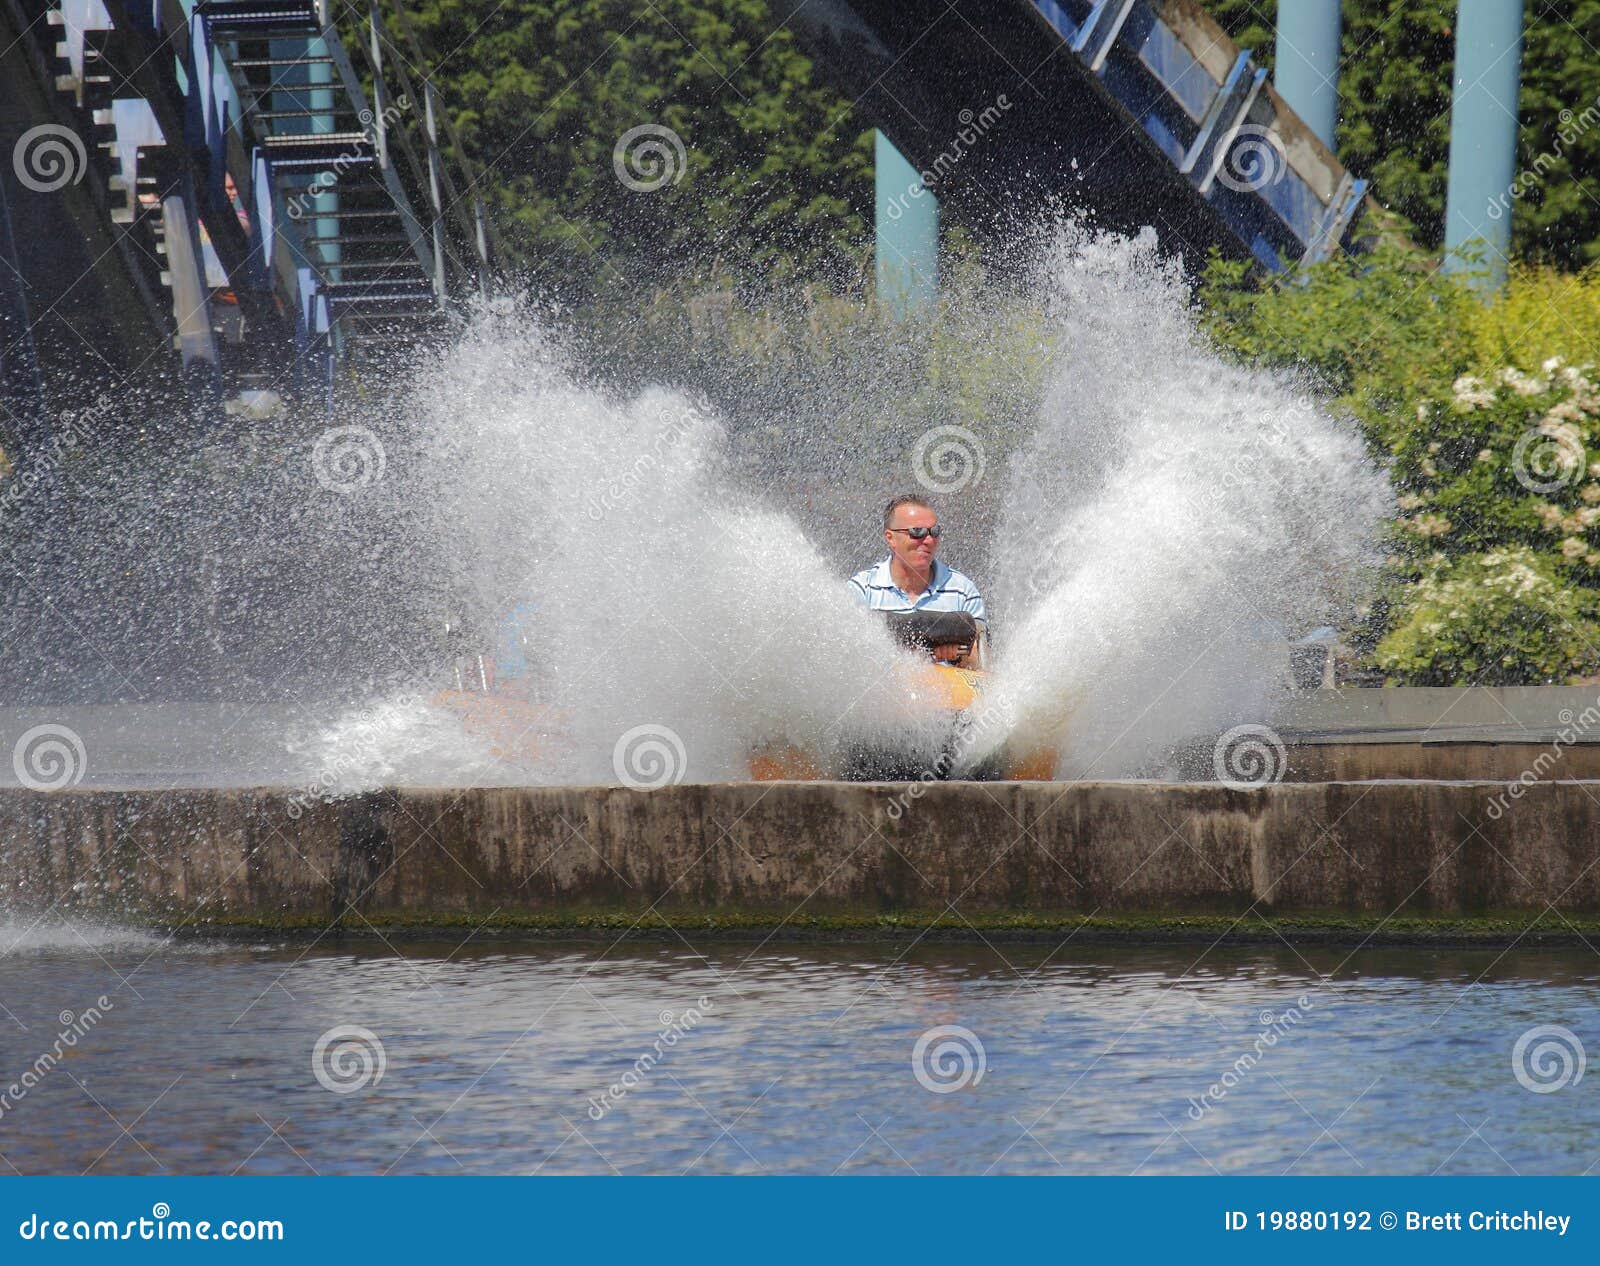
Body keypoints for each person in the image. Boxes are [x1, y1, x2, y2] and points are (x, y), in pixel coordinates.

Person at [848, 494, 986, 642]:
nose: (928, 540)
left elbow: (981, 657)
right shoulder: (862, 590)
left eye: (934, 532)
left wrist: (958, 656)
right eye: (917, 532)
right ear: (890, 537)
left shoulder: (964, 591)